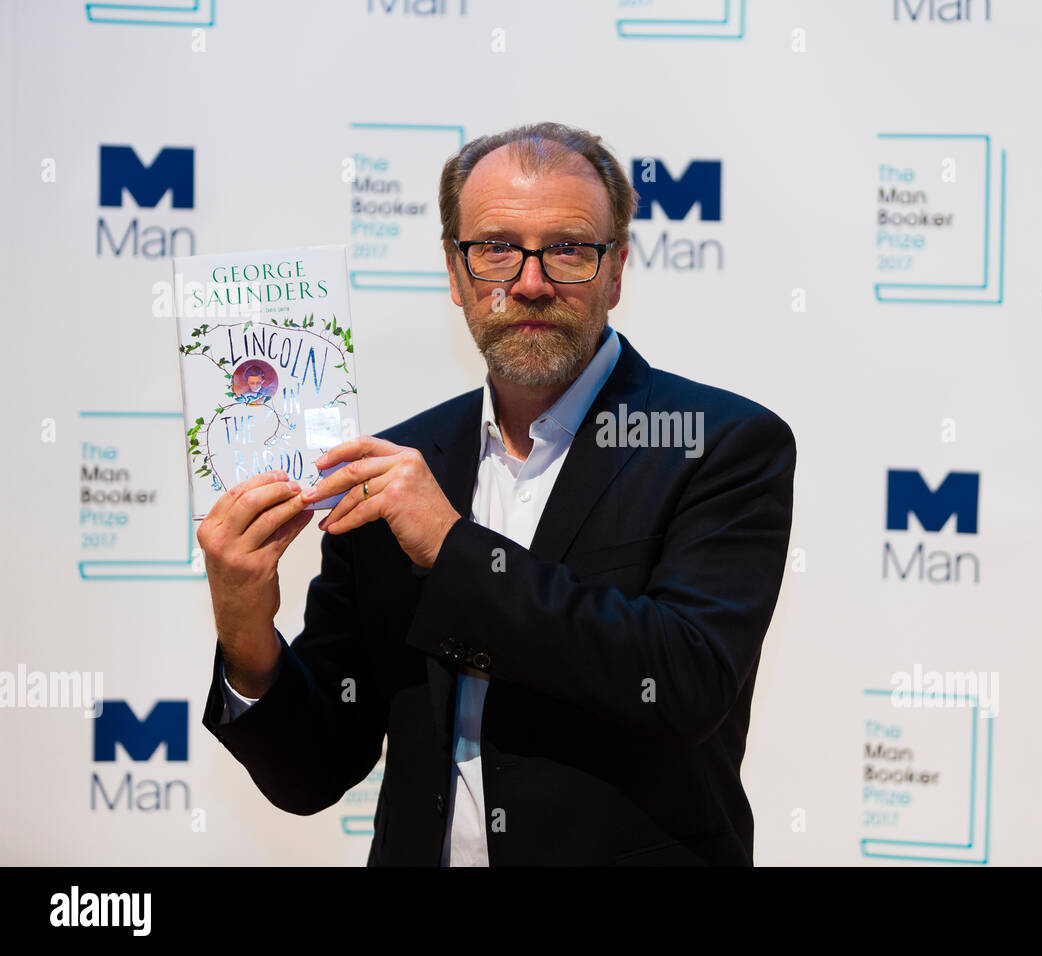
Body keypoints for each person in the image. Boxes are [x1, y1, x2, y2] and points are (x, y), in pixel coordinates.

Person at [197, 121, 797, 866]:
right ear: (455, 273)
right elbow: (315, 769)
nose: (531, 281)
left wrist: (451, 549)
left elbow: (684, 682)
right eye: (495, 248)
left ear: (616, 273)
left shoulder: (720, 443)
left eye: (571, 249)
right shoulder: (392, 467)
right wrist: (246, 633)